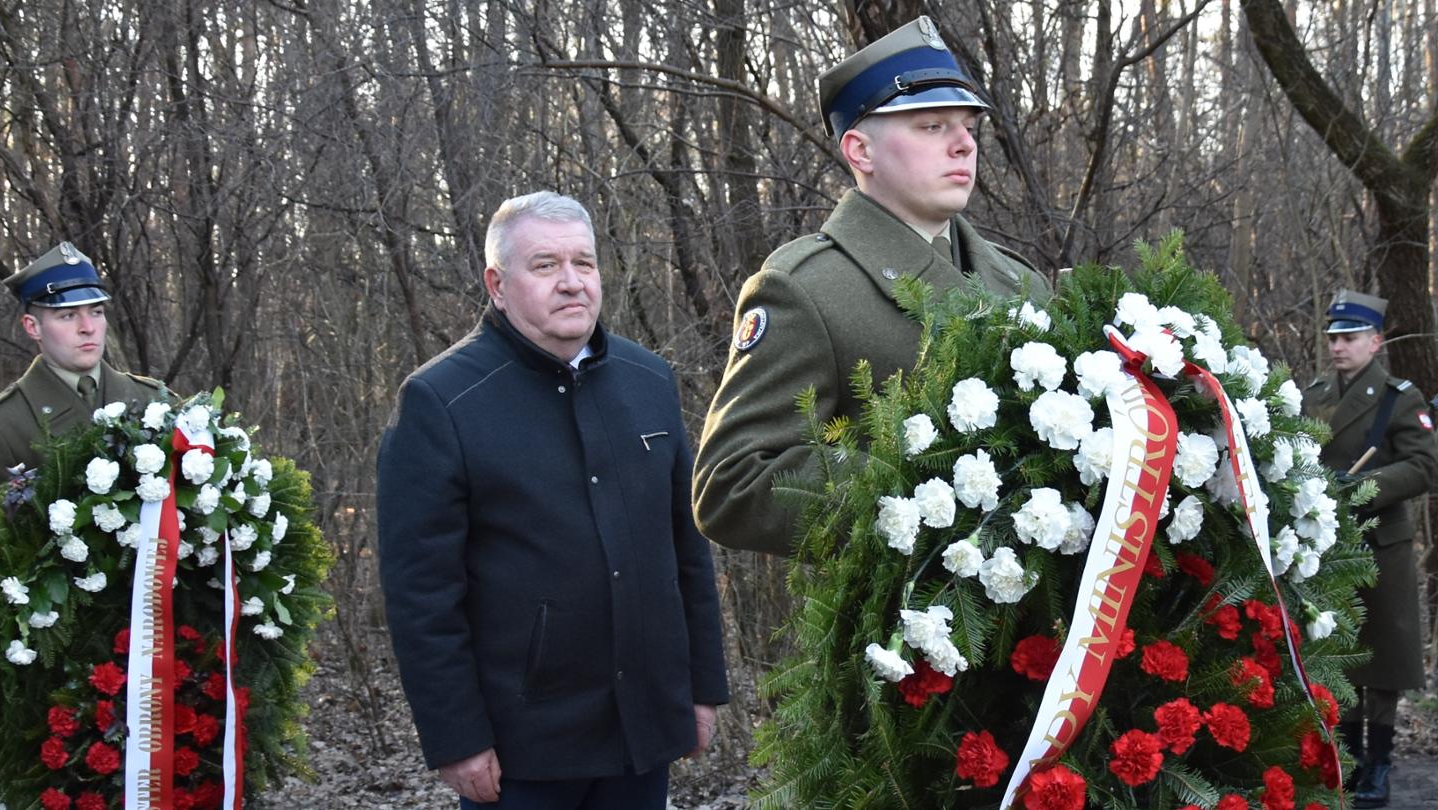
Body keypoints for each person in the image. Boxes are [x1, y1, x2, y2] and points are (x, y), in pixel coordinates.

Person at [377, 192, 730, 809]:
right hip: (523, 748)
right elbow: (421, 595)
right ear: (497, 285)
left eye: (583, 263)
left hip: (643, 731)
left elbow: (686, 551)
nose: (571, 282)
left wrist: (701, 689)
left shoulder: (649, 381)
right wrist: (457, 738)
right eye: (545, 265)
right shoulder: (442, 401)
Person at [692, 16, 1050, 557]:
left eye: (967, 127)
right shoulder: (806, 288)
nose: (963, 145)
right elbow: (733, 481)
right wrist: (917, 495)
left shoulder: (1022, 282)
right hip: (903, 605)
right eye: (932, 126)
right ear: (861, 151)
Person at [0, 242, 172, 581]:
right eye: (68, 315)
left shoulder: (154, 400)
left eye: (96, 311)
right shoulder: (0, 424)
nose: (87, 327)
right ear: (32, 327)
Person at [1303, 290, 1438, 808]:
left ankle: (1379, 764)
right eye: (1333, 338)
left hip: (1381, 543)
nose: (1338, 346)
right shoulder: (1315, 394)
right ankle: (1350, 759)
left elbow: (1424, 466)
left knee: (1381, 658)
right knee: (1340, 651)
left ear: (1375, 342)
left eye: (1350, 338)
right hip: (1326, 541)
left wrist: (1362, 487)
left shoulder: (1399, 397)